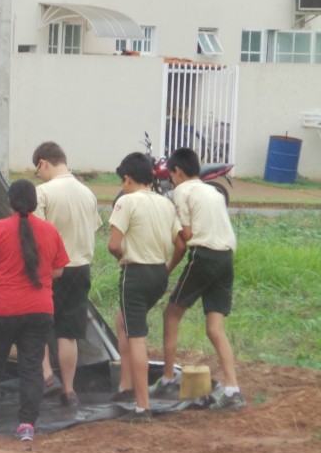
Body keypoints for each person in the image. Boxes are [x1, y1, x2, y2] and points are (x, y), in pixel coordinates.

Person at [0, 180, 68, 441]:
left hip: (4, 308)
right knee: (32, 367)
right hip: (40, 309)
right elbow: (58, 271)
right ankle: (26, 426)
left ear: (10, 201)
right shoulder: (50, 231)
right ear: (34, 202)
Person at [154, 147, 244, 409]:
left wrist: (167, 267)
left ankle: (168, 379)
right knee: (214, 328)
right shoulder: (211, 190)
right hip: (226, 258)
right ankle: (232, 389)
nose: (171, 180)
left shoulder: (182, 191)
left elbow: (188, 234)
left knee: (171, 314)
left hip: (203, 256)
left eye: (171, 175)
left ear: (178, 172)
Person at [107, 152, 182, 422]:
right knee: (123, 321)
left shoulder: (126, 202)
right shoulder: (165, 203)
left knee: (136, 335)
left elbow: (114, 245)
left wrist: (123, 259)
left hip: (135, 274)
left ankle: (142, 406)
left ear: (127, 179)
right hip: (159, 275)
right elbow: (182, 243)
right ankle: (126, 385)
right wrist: (166, 267)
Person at [32, 142, 102, 407]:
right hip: (81, 268)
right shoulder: (88, 193)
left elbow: (36, 234)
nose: (39, 175)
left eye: (37, 170)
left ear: (43, 163)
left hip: (50, 269)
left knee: (39, 324)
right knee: (68, 332)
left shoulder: (43, 193)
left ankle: (48, 376)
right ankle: (69, 391)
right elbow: (92, 229)